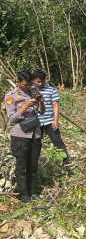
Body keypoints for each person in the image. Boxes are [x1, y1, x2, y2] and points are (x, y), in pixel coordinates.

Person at [3, 70, 44, 202]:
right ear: (18, 82)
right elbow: (11, 119)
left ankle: (33, 192)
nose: (27, 87)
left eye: (29, 84)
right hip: (20, 135)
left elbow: (42, 111)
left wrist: (40, 103)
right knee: (22, 166)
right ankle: (24, 195)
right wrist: (24, 106)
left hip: (35, 134)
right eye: (24, 85)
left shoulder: (34, 91)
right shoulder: (11, 96)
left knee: (33, 165)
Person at [31, 70, 70, 164]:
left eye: (42, 81)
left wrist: (55, 121)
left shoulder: (52, 90)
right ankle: (34, 164)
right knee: (36, 144)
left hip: (49, 121)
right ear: (33, 81)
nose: (40, 83)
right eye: (38, 81)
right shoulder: (30, 90)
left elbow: (55, 106)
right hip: (36, 123)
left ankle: (65, 161)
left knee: (57, 141)